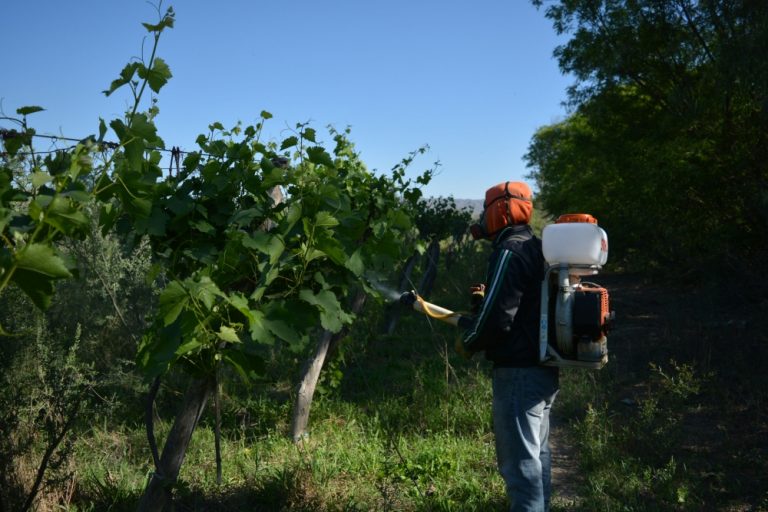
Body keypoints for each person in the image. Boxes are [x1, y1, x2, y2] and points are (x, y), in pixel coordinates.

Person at [458, 181, 559, 512]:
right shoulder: (540, 248)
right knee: (537, 460)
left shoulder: (509, 250)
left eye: (486, 210)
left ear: (500, 210)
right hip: (543, 369)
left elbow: (496, 319)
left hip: (518, 374)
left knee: (520, 470)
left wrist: (469, 341)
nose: (483, 218)